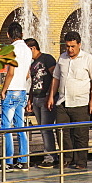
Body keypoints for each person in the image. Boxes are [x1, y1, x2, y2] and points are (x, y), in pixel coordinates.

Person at [47, 31, 92, 170]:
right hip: (63, 102)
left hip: (81, 103)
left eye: (73, 46)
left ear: (79, 45)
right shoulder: (62, 59)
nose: (70, 50)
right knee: (61, 131)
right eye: (67, 47)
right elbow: (56, 78)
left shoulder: (88, 59)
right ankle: (66, 158)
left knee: (80, 134)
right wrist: (51, 97)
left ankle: (81, 162)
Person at [0, 21, 32, 172]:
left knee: (6, 127)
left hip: (12, 91)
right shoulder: (28, 50)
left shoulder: (12, 49)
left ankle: (7, 162)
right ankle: (23, 160)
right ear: (22, 34)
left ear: (8, 35)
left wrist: (4, 89)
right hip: (22, 91)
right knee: (20, 127)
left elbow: (11, 72)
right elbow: (27, 74)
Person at [25, 38, 57, 168]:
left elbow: (55, 77)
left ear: (33, 48)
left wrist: (50, 96)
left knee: (46, 128)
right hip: (37, 98)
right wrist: (30, 100)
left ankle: (50, 157)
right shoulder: (33, 64)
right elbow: (33, 83)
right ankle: (49, 155)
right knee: (42, 128)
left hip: (46, 98)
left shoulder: (47, 58)